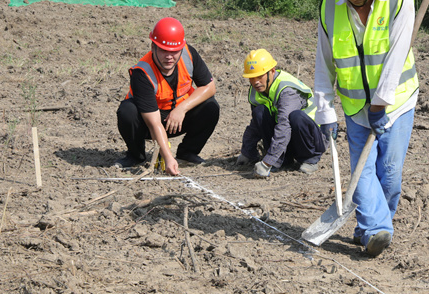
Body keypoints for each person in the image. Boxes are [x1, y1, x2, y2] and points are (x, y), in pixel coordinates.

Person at [314, 0, 418, 257]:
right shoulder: (330, 7)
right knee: (362, 173)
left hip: (396, 103)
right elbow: (324, 61)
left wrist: (380, 104)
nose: (353, 0)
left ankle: (369, 228)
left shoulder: (400, 0)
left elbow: (396, 58)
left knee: (390, 173)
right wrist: (325, 110)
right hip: (355, 106)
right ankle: (376, 230)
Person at [115, 17, 219, 175]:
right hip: (148, 122)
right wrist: (168, 158)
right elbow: (154, 123)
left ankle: (187, 153)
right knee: (127, 111)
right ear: (153, 47)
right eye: (164, 50)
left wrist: (181, 109)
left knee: (211, 107)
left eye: (174, 51)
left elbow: (209, 87)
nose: (169, 56)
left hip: (178, 119)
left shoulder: (189, 54)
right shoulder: (142, 73)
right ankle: (136, 155)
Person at [237, 49, 327, 178]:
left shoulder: (287, 90)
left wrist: (267, 163)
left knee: (296, 117)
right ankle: (283, 160)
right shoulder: (256, 90)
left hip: (310, 140)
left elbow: (284, 126)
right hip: (287, 138)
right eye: (251, 78)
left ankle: (309, 159)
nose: (256, 82)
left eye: (260, 76)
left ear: (272, 71)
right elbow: (256, 124)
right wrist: (247, 152)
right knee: (259, 112)